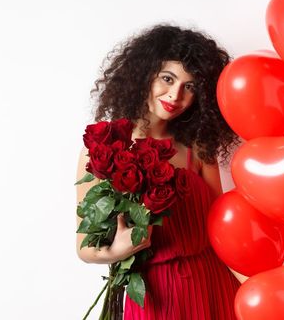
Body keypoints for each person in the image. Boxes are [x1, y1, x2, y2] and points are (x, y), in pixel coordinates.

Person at [75, 24, 246, 319]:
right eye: (167, 78)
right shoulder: (104, 148)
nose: (176, 94)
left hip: (214, 283)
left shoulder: (196, 145)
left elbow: (222, 230)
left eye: (190, 86)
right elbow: (84, 246)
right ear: (144, 75)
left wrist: (253, 285)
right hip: (155, 296)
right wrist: (117, 250)